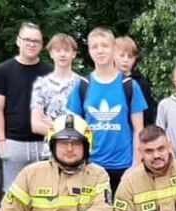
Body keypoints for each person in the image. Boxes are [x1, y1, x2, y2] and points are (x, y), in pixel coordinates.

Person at [66, 27, 147, 191]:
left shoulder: (130, 86)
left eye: (104, 45)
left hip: (124, 167)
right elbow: (73, 130)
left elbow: (139, 129)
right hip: (90, 167)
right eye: (94, 46)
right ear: (89, 51)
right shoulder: (82, 86)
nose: (100, 50)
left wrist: (135, 166)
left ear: (113, 49)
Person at [0, 21, 53, 187]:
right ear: (18, 41)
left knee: (44, 194)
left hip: (43, 143)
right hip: (13, 143)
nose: (31, 44)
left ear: (41, 45)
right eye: (27, 40)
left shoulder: (49, 72)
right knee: (13, 197)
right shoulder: (3, 70)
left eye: (36, 41)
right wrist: (1, 142)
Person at [31, 33, 82, 144]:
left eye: (67, 50)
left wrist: (55, 126)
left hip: (78, 149)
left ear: (73, 54)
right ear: (51, 54)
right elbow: (36, 125)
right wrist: (68, 131)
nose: (62, 54)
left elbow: (88, 123)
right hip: (50, 151)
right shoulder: (41, 85)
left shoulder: (83, 84)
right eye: (58, 50)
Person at [115, 35, 157, 127]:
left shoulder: (142, 84)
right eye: (121, 56)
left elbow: (147, 116)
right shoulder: (104, 82)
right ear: (113, 56)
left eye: (130, 57)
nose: (125, 60)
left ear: (135, 58)